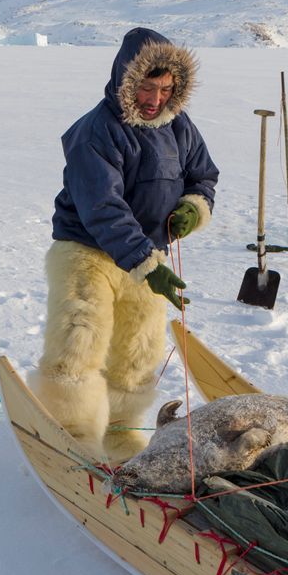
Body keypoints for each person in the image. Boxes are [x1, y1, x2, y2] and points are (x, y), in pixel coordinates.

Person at [29, 27, 219, 464]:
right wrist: (145, 262)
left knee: (139, 348)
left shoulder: (179, 126)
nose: (155, 98)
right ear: (126, 81)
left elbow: (203, 175)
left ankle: (119, 433)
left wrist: (193, 206)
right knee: (79, 339)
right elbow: (102, 207)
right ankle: (72, 434)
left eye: (166, 88)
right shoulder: (95, 131)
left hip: (145, 254)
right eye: (147, 87)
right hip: (87, 250)